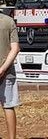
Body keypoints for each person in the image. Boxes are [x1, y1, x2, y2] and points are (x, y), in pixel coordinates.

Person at [0, 9, 19, 139]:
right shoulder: (8, 21)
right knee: (8, 106)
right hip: (7, 72)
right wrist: (2, 69)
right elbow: (15, 48)